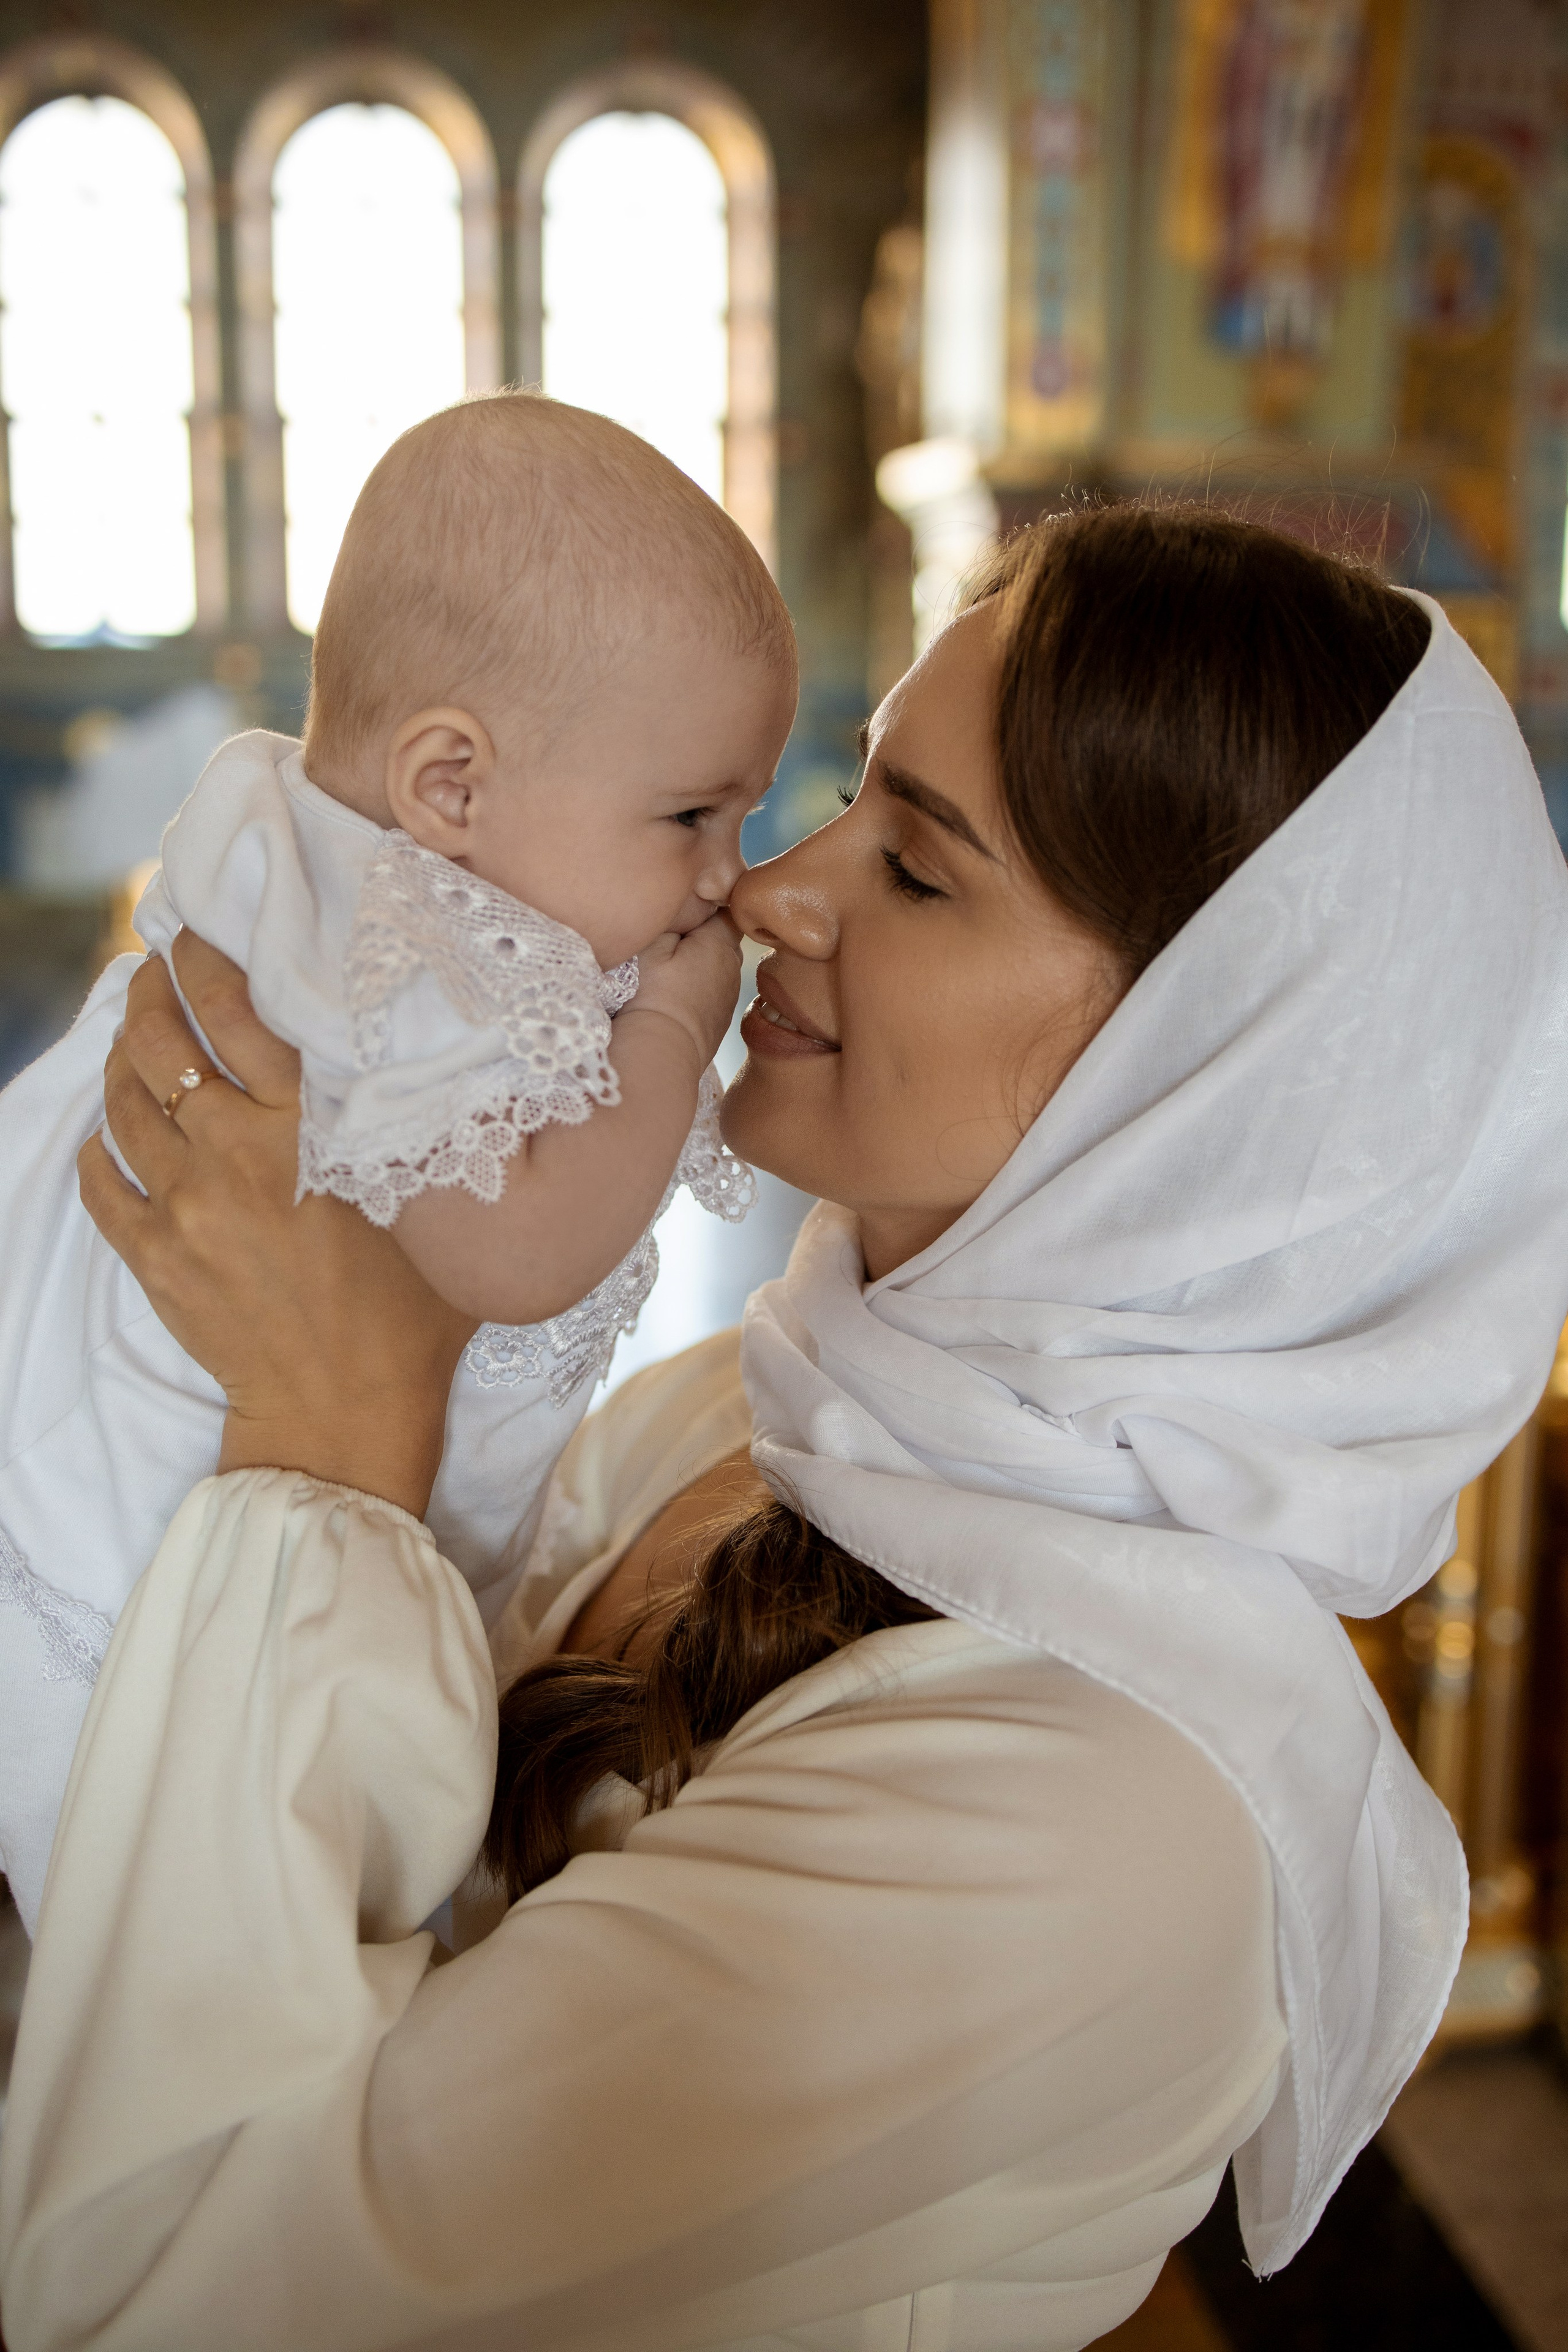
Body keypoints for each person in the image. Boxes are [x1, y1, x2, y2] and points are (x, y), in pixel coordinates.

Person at [6, 508, 1567, 2352]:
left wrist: (335, 1439)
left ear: (1205, 1081)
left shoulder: (1112, 1824)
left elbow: (160, 2292)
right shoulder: (781, 1406)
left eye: (915, 869)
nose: (768, 893)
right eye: (851, 793)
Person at [0, 391, 794, 1935]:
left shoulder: (305, 842)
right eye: (693, 813)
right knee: (226, 1902)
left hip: (112, 1471)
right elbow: (516, 1254)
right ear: (451, 786)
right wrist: (677, 1029)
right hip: (176, 1558)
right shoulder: (421, 954)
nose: (728, 877)